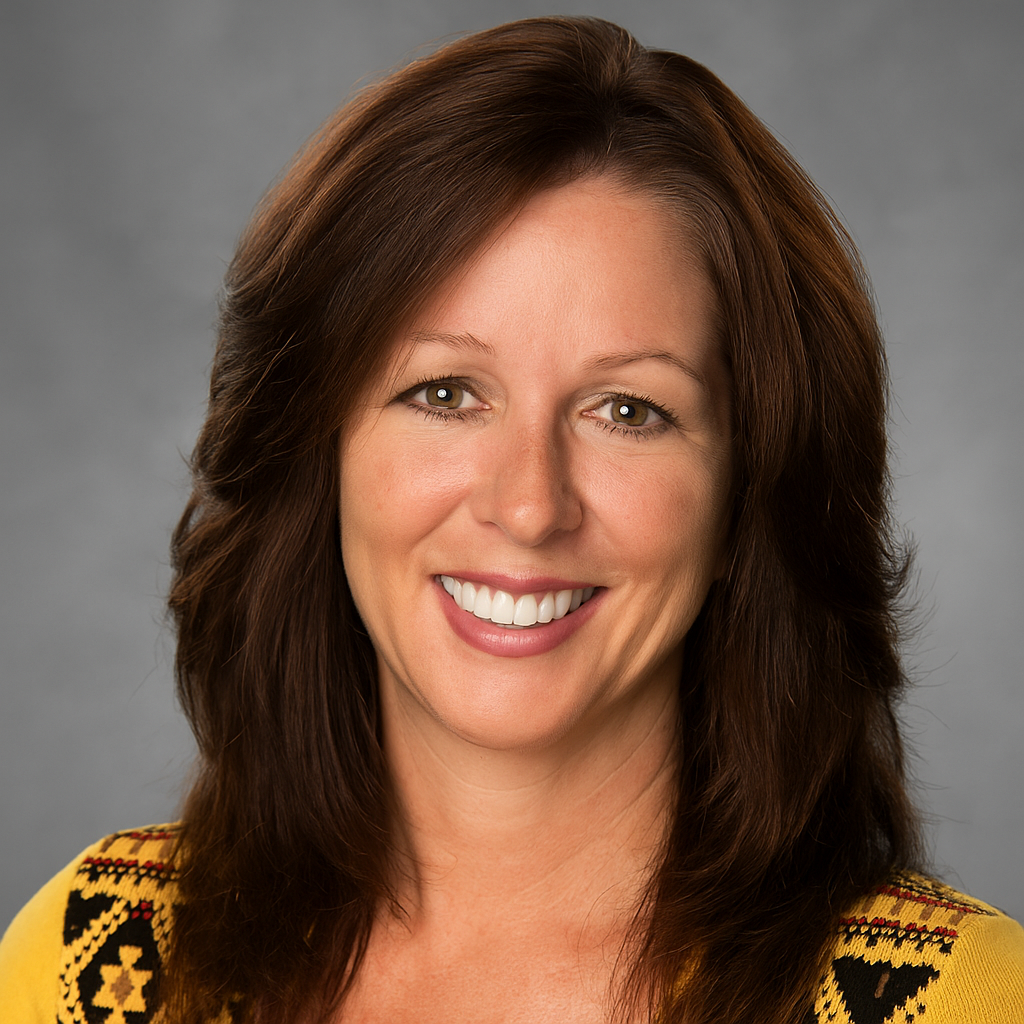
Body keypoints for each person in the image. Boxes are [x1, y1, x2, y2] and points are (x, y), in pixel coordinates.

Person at [2, 15, 1022, 1024]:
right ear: (318, 454)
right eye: (445, 393)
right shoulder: (91, 962)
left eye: (628, 410)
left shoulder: (960, 1003)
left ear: (749, 494)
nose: (528, 505)